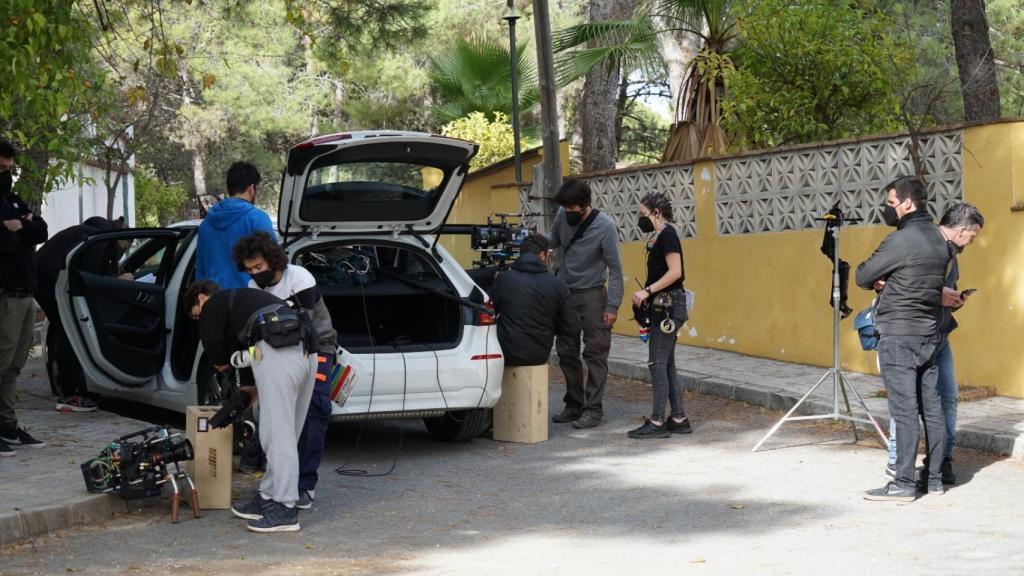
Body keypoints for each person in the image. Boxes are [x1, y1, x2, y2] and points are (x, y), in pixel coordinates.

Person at [184, 280, 317, 532]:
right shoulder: (245, 303)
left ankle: (286, 508)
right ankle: (268, 496)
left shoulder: (213, 304)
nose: (199, 319)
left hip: (278, 351)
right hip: (306, 351)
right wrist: (249, 387)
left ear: (201, 298)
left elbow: (211, 340)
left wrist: (221, 362)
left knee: (277, 436)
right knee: (284, 432)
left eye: (196, 314)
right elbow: (251, 352)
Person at [856, 176, 953, 502]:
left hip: (899, 336)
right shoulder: (939, 239)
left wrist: (884, 280)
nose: (888, 209)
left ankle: (903, 484)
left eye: (891, 203)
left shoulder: (901, 240)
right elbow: (926, 282)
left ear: (907, 203)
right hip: (928, 334)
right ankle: (935, 479)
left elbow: (863, 275)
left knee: (905, 411)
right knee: (933, 409)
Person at [233, 231, 337, 510]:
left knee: (313, 415)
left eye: (259, 266)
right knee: (279, 426)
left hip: (317, 350)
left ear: (272, 259)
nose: (256, 273)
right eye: (250, 269)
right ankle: (276, 487)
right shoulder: (254, 287)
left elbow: (302, 326)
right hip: (278, 357)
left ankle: (304, 486)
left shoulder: (299, 277)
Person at [885, 202, 984, 485]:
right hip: (909, 336)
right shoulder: (917, 247)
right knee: (905, 402)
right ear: (962, 230)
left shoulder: (953, 258)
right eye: (973, 236)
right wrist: (936, 294)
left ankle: (940, 463)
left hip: (940, 335)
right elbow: (895, 284)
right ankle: (897, 462)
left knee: (946, 399)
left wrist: (955, 301)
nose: (973, 241)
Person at [547, 179, 624, 429]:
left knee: (595, 353)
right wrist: (530, 242)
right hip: (565, 293)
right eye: (565, 208)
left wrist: (612, 307)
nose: (567, 212)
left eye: (572, 209)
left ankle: (593, 410)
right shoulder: (562, 213)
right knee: (566, 351)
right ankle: (574, 404)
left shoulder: (605, 227)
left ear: (584, 205)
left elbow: (615, 269)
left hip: (592, 296)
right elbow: (553, 241)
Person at [35, 216, 126, 412]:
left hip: (44, 281)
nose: (123, 250)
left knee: (65, 332)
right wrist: (118, 279)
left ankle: (70, 391)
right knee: (69, 334)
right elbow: (90, 277)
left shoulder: (84, 232)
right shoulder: (97, 239)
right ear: (118, 235)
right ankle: (71, 394)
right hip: (50, 284)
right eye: (125, 245)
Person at [627, 192, 692, 439]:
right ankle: (678, 417)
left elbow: (676, 272)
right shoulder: (661, 236)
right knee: (667, 364)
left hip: (667, 306)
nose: (640, 218)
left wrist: (647, 291)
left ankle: (656, 421)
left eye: (643, 214)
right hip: (665, 305)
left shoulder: (668, 235)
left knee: (657, 363)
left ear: (656, 212)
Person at [0, 139, 49, 456]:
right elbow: (5, 244)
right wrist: (22, 230)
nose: (5, 173)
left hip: (26, 293)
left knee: (15, 365)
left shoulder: (13, 200)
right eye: (1, 168)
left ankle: (8, 424)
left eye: (8, 168)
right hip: (5, 295)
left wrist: (21, 226)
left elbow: (41, 231)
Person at [490, 233, 580, 367]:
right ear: (543, 255)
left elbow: (488, 311)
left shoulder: (504, 279)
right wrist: (549, 326)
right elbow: (572, 327)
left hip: (506, 352)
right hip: (538, 354)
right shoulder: (557, 285)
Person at [196, 161, 276, 289]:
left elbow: (200, 271)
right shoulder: (257, 219)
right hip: (251, 301)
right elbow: (273, 263)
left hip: (215, 300)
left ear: (229, 189)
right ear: (251, 188)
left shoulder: (205, 225)